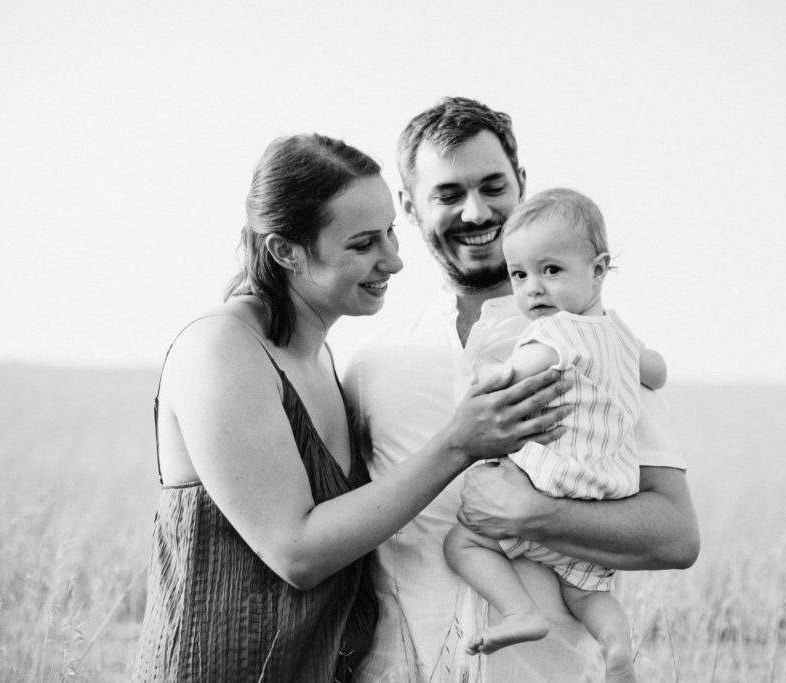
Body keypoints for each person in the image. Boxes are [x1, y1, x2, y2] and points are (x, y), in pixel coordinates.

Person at [131, 133, 572, 682]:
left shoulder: (320, 359)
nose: (393, 259)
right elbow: (298, 553)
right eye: (363, 244)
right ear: (286, 251)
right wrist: (460, 442)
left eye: (390, 231)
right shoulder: (221, 350)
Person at [343, 98, 700, 682]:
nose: (476, 211)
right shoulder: (370, 366)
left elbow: (676, 537)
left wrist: (535, 514)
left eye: (493, 186)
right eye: (448, 194)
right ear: (408, 206)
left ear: (522, 184)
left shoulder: (600, 341)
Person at [444, 188, 667, 683]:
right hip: (599, 504)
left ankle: (520, 612)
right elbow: (657, 371)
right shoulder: (622, 337)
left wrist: (485, 378)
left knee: (463, 543)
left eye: (551, 271)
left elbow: (510, 378)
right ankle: (617, 647)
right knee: (588, 594)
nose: (533, 289)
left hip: (547, 488)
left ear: (599, 269)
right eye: (520, 275)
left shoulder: (555, 334)